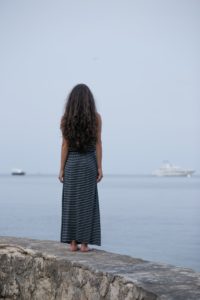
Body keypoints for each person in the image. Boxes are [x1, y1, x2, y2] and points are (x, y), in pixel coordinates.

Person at [59, 83, 103, 252]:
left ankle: (72, 243)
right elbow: (98, 143)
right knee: (87, 204)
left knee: (71, 203)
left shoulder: (66, 119)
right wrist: (100, 167)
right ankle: (84, 244)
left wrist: (61, 169)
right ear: (89, 101)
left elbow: (64, 145)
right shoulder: (96, 118)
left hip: (72, 163)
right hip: (89, 163)